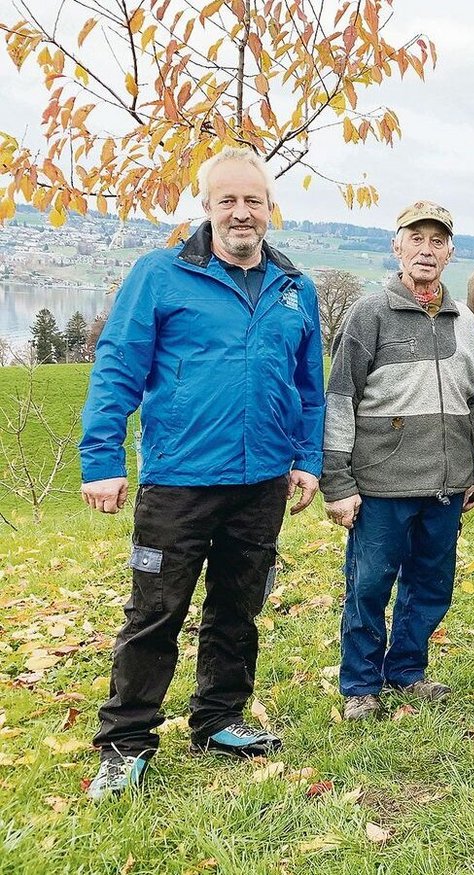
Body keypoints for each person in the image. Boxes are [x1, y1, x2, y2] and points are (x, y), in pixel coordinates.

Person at [79, 146, 325, 798]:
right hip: (179, 478)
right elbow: (117, 366)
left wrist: (306, 457)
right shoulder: (160, 275)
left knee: (238, 608)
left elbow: (309, 387)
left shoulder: (296, 289)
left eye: (254, 200)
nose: (242, 212)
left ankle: (217, 719)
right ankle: (126, 741)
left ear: (269, 208)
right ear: (208, 207)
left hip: (262, 480)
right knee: (156, 611)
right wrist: (101, 458)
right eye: (228, 200)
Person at [322, 200, 474, 721]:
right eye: (415, 238)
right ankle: (361, 685)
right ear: (397, 247)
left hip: (445, 484)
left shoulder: (467, 322)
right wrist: (338, 482)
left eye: (436, 241)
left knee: (432, 586)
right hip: (381, 484)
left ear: (450, 253)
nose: (426, 249)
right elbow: (340, 399)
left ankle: (407, 671)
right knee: (369, 585)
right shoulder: (370, 314)